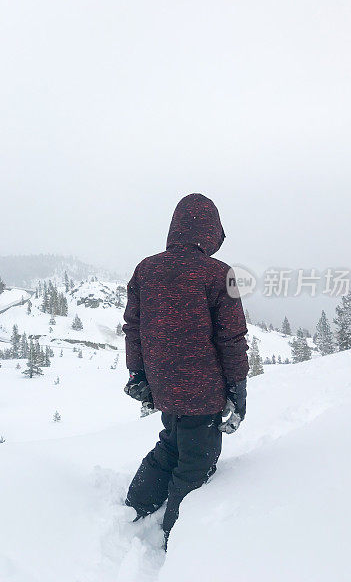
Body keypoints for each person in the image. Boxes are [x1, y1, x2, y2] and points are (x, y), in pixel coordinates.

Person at [122, 193, 249, 550]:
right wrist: (238, 389)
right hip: (203, 391)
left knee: (173, 445)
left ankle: (135, 505)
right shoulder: (219, 273)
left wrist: (138, 374)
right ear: (210, 231)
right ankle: (179, 540)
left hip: (163, 387)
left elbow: (134, 327)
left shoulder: (146, 269)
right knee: (196, 462)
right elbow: (232, 338)